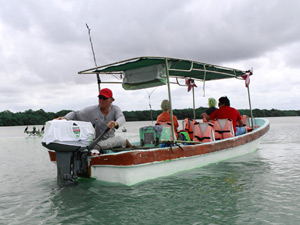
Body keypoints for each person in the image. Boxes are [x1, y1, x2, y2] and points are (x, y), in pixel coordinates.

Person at [56, 88, 132, 149]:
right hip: (96, 143)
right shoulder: (92, 110)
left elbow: (122, 118)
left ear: (111, 100)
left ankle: (132, 151)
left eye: (104, 98)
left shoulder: (115, 109)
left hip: (110, 140)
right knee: (122, 140)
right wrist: (65, 118)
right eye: (100, 97)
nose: (101, 100)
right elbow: (74, 114)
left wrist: (115, 123)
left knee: (120, 140)